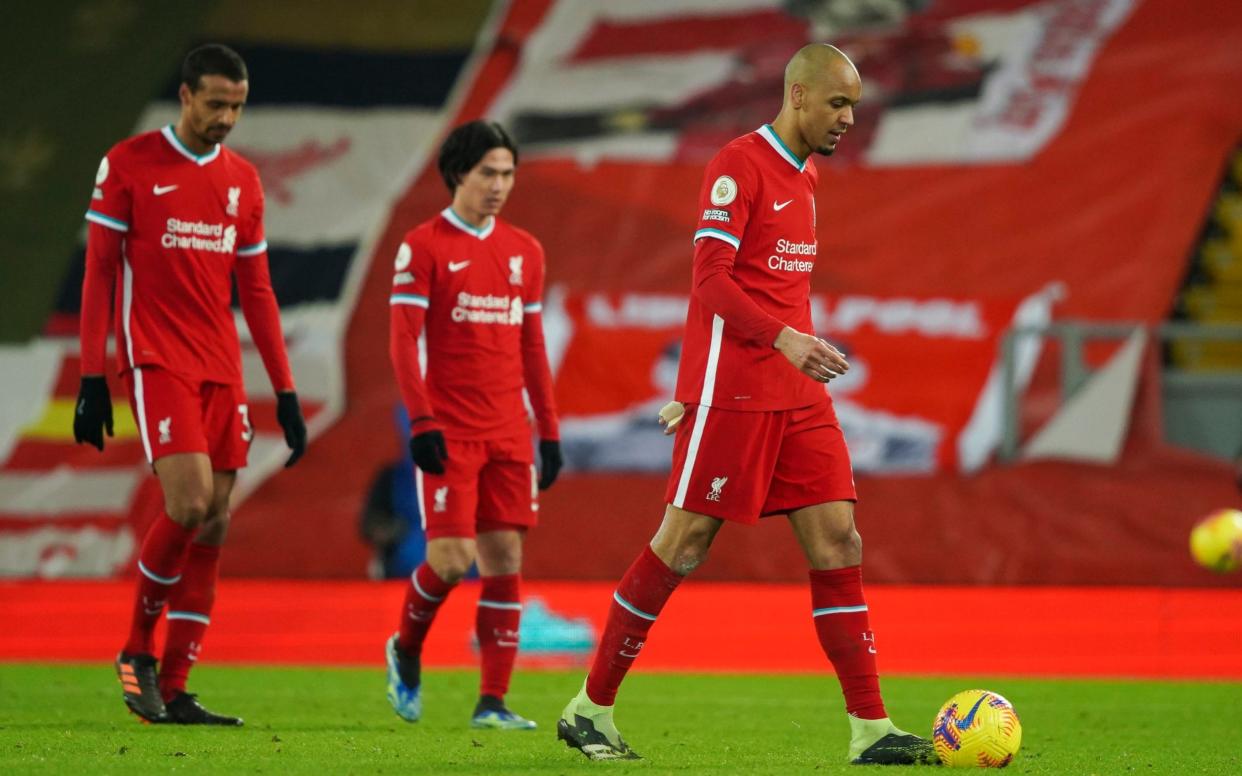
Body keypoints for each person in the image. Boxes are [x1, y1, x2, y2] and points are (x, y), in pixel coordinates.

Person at [556, 44, 935, 765]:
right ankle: (589, 710)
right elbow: (711, 281)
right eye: (837, 103)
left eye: (853, 105)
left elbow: (778, 283)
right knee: (684, 543)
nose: (849, 118)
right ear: (798, 94)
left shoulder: (807, 174)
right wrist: (782, 342)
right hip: (734, 388)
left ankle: (871, 730)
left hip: (798, 396)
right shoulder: (738, 165)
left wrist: (799, 349)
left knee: (839, 544)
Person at [74, 44, 307, 726]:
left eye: (237, 105)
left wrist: (284, 390)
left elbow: (257, 290)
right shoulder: (129, 164)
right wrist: (93, 374)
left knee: (217, 521)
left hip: (221, 367)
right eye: (215, 104)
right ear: (185, 96)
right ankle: (136, 652)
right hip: (158, 360)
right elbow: (99, 272)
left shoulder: (244, 181)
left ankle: (175, 686)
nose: (227, 118)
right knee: (189, 502)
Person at [386, 120, 562, 730]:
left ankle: (493, 701)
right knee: (452, 558)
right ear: (459, 171)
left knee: (504, 558)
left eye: (508, 173)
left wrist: (549, 431)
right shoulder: (424, 245)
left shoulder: (525, 252)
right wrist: (422, 421)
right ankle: (406, 648)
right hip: (450, 429)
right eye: (488, 171)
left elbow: (533, 348)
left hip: (509, 429)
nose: (499, 185)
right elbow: (404, 344)